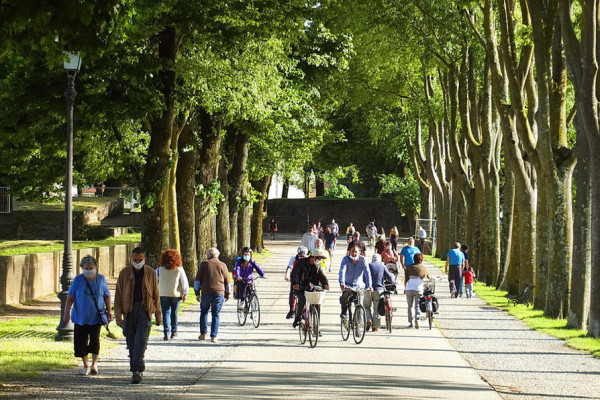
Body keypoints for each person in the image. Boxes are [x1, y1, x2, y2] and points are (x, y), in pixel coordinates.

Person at [114, 247, 162, 384]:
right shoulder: (124, 273)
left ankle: (137, 370)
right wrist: (118, 316)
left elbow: (156, 295)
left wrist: (158, 315)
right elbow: (118, 295)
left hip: (144, 310)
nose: (137, 262)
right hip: (129, 311)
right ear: (131, 258)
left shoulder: (151, 273)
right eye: (135, 260)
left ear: (145, 259)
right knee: (131, 343)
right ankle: (134, 367)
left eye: (140, 260)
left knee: (140, 341)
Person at [63, 255, 111, 376]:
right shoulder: (78, 280)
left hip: (96, 316)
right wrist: (66, 312)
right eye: (86, 268)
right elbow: (70, 297)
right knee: (80, 342)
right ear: (82, 268)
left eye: (91, 268)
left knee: (95, 340)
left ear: (95, 267)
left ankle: (94, 364)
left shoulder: (101, 279)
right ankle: (86, 365)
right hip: (80, 316)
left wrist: (109, 310)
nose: (89, 270)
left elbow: (107, 295)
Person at [194, 248, 232, 343]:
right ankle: (213, 336)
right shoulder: (223, 265)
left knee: (204, 312)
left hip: (206, 292)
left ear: (208, 255)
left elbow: (197, 281)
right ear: (217, 255)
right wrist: (227, 294)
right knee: (215, 314)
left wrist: (197, 293)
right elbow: (227, 282)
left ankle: (203, 334)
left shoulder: (203, 264)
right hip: (219, 293)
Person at [291, 249, 330, 328]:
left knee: (317, 303)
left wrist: (325, 284)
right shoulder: (301, 262)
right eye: (318, 258)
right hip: (300, 287)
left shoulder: (318, 266)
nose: (319, 260)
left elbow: (322, 276)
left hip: (312, 287)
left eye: (320, 259)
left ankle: (317, 326)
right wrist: (295, 283)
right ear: (312, 257)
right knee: (302, 300)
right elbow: (295, 273)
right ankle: (298, 318)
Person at [156, 249, 189, 341]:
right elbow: (184, 282)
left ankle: (166, 332)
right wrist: (185, 293)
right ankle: (174, 331)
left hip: (163, 293)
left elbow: (155, 280)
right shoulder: (179, 269)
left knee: (165, 312)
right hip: (176, 294)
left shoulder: (159, 269)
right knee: (174, 312)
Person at [339, 244, 373, 320]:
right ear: (349, 252)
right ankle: (343, 312)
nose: (354, 254)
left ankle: (358, 321)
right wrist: (342, 283)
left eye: (355, 252)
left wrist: (369, 285)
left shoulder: (363, 260)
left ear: (359, 252)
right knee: (345, 297)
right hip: (348, 285)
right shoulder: (345, 259)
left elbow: (367, 273)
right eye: (352, 252)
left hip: (359, 286)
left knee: (359, 304)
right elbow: (342, 271)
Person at [365, 254, 396, 332]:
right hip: (379, 290)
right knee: (377, 309)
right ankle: (375, 327)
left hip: (368, 289)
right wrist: (394, 280)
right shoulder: (383, 266)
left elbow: (363, 277)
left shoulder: (368, 266)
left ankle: (368, 320)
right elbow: (390, 277)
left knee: (366, 306)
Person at [404, 253, 431, 328]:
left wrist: (405, 288)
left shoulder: (409, 268)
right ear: (421, 260)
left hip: (409, 289)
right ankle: (417, 318)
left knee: (409, 306)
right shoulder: (424, 268)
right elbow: (429, 277)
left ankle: (410, 322)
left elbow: (405, 280)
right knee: (417, 306)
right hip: (418, 289)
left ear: (414, 259)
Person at [285, 246, 309, 319]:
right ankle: (291, 310)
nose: (301, 257)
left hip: (305, 278)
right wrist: (287, 275)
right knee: (292, 293)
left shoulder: (308, 259)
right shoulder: (294, 258)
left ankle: (305, 310)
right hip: (295, 277)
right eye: (300, 255)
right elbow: (289, 267)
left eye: (303, 256)